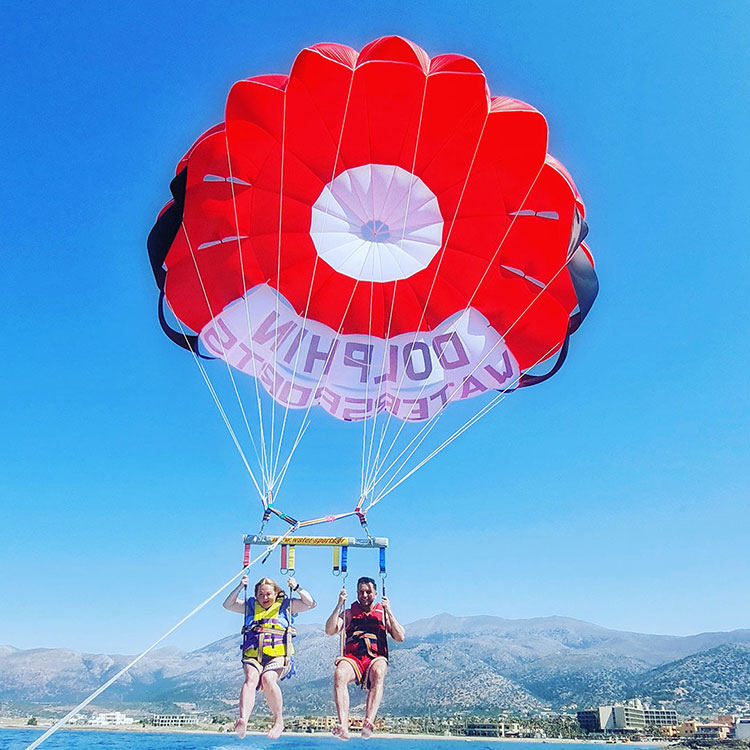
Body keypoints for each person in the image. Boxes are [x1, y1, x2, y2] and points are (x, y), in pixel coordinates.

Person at [223, 575, 315, 739]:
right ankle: (243, 719)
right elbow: (227, 604)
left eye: (268, 594)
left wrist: (297, 588)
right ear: (256, 595)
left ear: (276, 593)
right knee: (250, 678)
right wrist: (239, 586)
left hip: (279, 655)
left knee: (267, 679)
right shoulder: (251, 606)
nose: (264, 598)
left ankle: (278, 721)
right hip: (253, 654)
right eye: (261, 594)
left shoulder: (286, 605)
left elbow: (310, 603)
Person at [324, 576, 405, 740]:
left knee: (380, 671)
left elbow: (400, 636)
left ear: (375, 593)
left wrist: (389, 610)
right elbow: (330, 630)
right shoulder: (348, 613)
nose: (365, 595)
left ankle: (369, 721)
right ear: (356, 593)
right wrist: (339, 604)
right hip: (353, 658)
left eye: (368, 591)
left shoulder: (382, 614)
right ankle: (343, 726)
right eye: (361, 592)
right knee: (339, 674)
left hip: (375, 657)